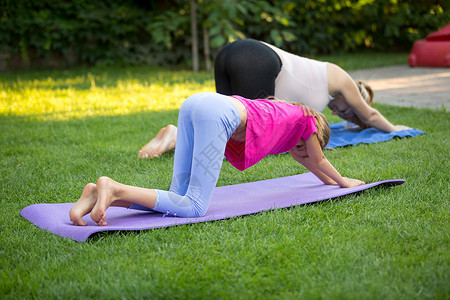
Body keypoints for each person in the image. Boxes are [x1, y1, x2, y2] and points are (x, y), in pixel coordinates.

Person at [70, 92, 365, 226]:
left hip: (197, 102)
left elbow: (313, 164)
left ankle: (99, 194)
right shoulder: (309, 120)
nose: (303, 154)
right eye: (306, 147)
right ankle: (115, 187)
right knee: (195, 206)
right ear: (313, 136)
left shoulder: (289, 122)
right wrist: (343, 182)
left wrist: (329, 182)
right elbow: (319, 160)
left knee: (178, 198)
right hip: (217, 114)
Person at [138, 38, 409, 159]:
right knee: (245, 139)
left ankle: (176, 133)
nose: (341, 114)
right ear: (356, 96)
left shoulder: (322, 91)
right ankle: (176, 137)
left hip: (234, 54)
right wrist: (395, 129)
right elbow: (370, 115)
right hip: (256, 58)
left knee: (226, 128)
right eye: (350, 111)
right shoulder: (342, 78)